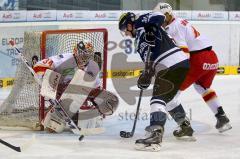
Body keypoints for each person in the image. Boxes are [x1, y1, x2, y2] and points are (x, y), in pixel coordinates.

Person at [153, 2, 232, 134]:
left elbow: (184, 52)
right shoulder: (180, 21)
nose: (160, 22)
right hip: (212, 58)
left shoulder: (173, 27)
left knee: (170, 94)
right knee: (202, 87)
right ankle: (221, 117)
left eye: (161, 18)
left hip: (198, 60)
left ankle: (185, 127)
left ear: (167, 15)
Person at [118, 11, 191, 151]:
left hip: (170, 63)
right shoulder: (138, 42)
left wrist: (151, 27)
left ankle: (155, 135)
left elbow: (160, 15)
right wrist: (146, 75)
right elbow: (150, 60)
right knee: (168, 99)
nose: (126, 34)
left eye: (124, 30)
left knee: (157, 100)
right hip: (179, 64)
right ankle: (185, 127)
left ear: (129, 24)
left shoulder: (140, 23)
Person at [33, 40, 118, 133]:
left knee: (102, 96)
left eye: (88, 55)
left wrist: (99, 100)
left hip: (77, 94)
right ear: (76, 51)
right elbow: (39, 66)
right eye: (83, 54)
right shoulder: (65, 59)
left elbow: (95, 89)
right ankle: (57, 112)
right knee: (52, 128)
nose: (84, 58)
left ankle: (74, 114)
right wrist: (48, 79)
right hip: (60, 90)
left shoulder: (92, 67)